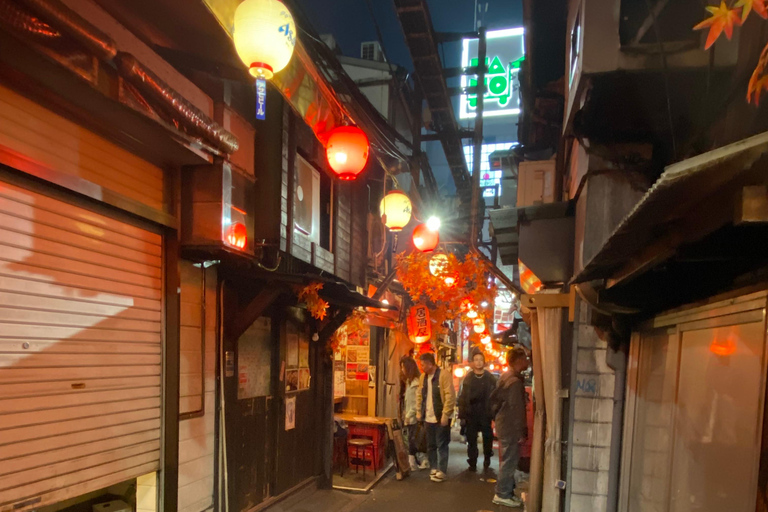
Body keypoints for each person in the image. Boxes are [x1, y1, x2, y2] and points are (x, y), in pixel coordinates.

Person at [490, 347, 530, 508]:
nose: (527, 361)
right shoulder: (514, 382)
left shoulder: (506, 377)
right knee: (509, 460)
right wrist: (522, 431)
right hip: (509, 426)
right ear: (518, 361)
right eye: (525, 358)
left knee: (508, 459)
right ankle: (502, 493)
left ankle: (506, 491)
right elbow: (516, 408)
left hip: (503, 423)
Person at [415, 352, 456, 483]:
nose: (421, 367)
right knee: (431, 444)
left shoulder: (444, 375)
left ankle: (442, 470)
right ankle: (433, 467)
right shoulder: (423, 377)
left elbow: (450, 396)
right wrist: (418, 412)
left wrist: (445, 414)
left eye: (423, 364)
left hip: (440, 416)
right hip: (428, 416)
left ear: (430, 364)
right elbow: (420, 395)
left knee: (442, 444)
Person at [458, 348, 497, 472]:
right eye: (476, 360)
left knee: (487, 437)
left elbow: (496, 396)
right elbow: (463, 396)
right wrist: (462, 415)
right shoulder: (468, 378)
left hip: (486, 413)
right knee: (471, 438)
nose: (479, 362)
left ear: (484, 362)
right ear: (472, 362)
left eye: (481, 360)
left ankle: (487, 456)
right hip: (471, 413)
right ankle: (472, 460)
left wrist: (494, 413)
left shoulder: (490, 378)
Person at [400, 355, 428, 471]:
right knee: (413, 439)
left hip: (414, 416)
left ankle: (416, 461)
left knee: (414, 439)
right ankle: (416, 461)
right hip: (411, 415)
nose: (402, 370)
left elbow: (416, 402)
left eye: (403, 367)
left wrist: (408, 415)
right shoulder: (409, 382)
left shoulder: (416, 383)